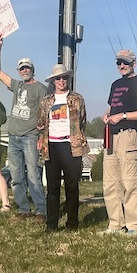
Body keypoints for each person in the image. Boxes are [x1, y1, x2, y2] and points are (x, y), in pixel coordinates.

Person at [0, 30, 47, 219]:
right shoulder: (17, 85)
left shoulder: (40, 88)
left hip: (30, 136)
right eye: (22, 68)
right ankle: (24, 208)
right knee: (16, 177)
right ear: (18, 71)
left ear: (33, 69)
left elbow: (45, 114)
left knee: (33, 175)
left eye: (27, 68)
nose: (25, 71)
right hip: (13, 137)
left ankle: (41, 209)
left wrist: (42, 136)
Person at [37, 63, 88, 233]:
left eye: (64, 77)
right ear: (53, 81)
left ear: (68, 79)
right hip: (51, 146)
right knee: (52, 188)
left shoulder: (78, 99)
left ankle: (72, 223)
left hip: (71, 146)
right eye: (57, 78)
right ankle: (51, 224)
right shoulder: (46, 101)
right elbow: (41, 124)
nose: (61, 81)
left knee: (72, 187)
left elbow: (82, 121)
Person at [102, 49, 137, 235]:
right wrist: (107, 114)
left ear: (134, 64)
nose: (122, 66)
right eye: (119, 62)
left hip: (129, 135)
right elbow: (112, 106)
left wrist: (124, 116)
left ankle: (134, 226)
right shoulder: (115, 84)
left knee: (130, 182)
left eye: (125, 62)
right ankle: (115, 224)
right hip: (111, 136)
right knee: (110, 182)